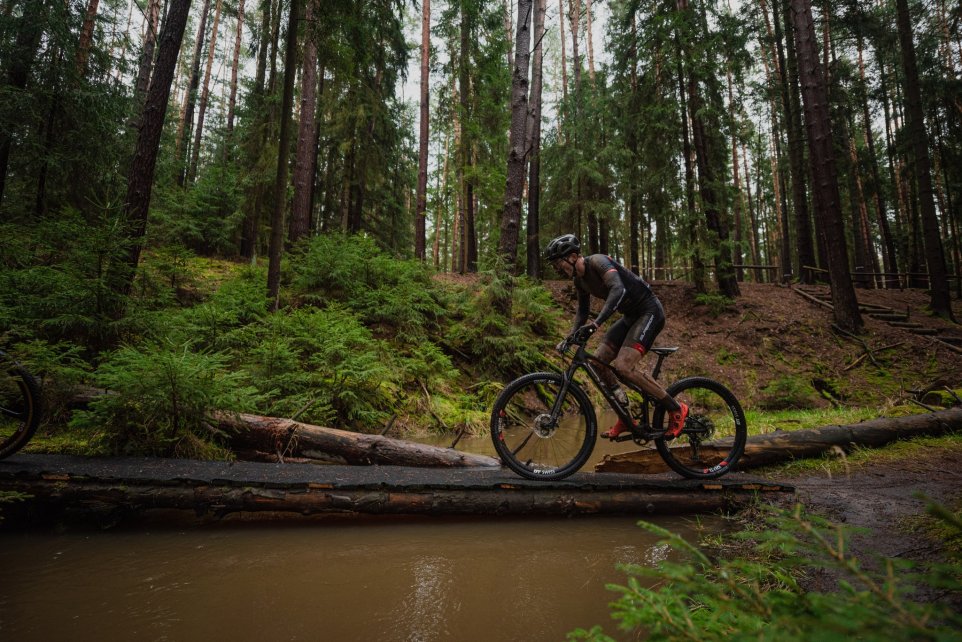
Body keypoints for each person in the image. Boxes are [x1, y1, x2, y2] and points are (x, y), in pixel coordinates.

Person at [544, 233, 688, 440]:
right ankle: (626, 417)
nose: (557, 268)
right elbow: (582, 312)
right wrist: (570, 337)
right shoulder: (579, 281)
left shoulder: (598, 261)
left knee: (623, 366)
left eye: (558, 262)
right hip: (631, 316)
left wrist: (596, 324)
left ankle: (676, 408)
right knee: (598, 362)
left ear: (573, 256)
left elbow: (617, 289)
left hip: (649, 311)